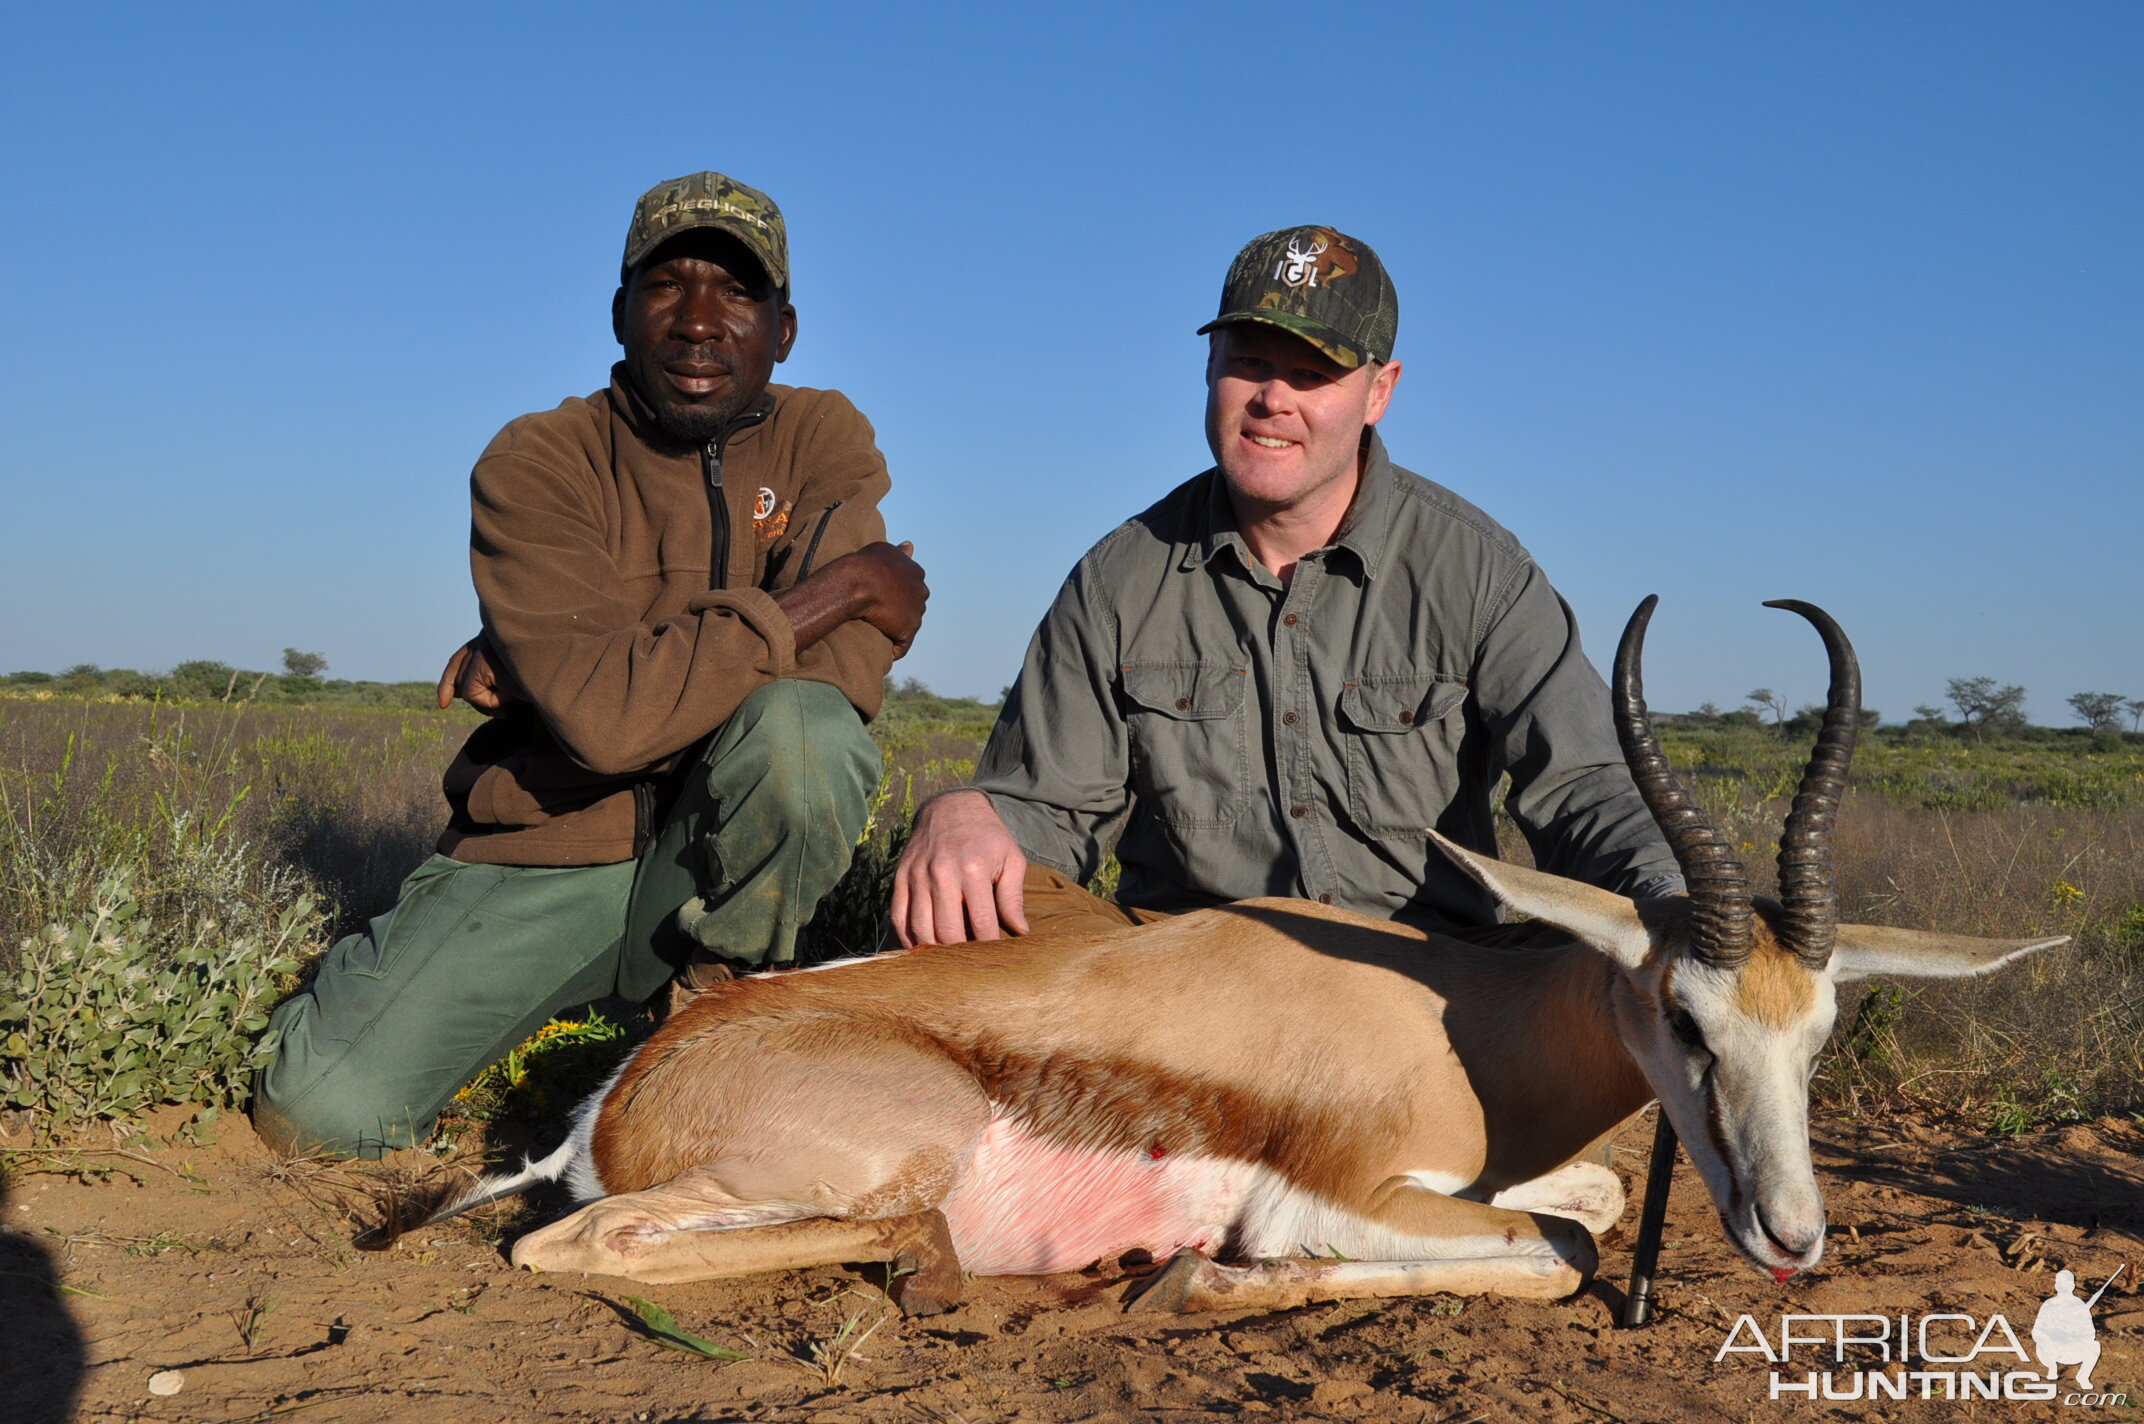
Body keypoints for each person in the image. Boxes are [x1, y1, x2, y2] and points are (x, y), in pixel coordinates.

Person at [255, 172, 927, 1158]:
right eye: (666, 286)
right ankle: (555, 1004)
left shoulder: (823, 434)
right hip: (548, 849)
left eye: (736, 292)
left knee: (802, 736)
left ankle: (712, 1009)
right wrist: (836, 590)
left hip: (712, 866)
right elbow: (608, 722)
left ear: (783, 329)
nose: (698, 322)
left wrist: (580, 661)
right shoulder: (538, 460)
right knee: (317, 1113)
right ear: (619, 313)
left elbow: (835, 682)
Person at [893, 226, 1679, 947]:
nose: (1274, 399)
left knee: (1589, 969)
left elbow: (1588, 789)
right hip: (1191, 985)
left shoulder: (1479, 573)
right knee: (974, 897)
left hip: (1419, 988)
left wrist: (1674, 899)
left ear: (1380, 391)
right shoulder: (1117, 581)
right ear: (1210, 366)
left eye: (1312, 374)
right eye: (1251, 362)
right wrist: (963, 814)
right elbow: (1045, 809)